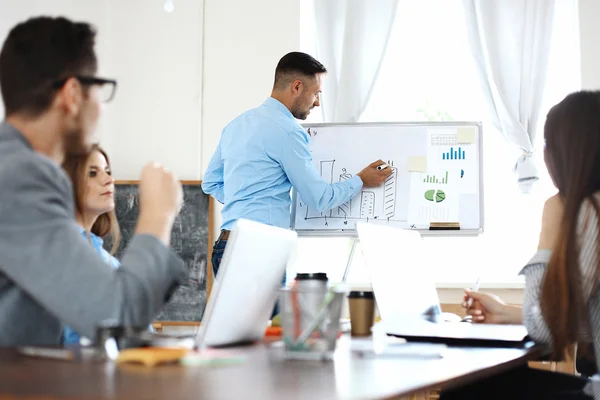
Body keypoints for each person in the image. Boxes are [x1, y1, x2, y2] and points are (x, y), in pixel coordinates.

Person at [0, 16, 185, 346]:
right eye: (100, 91)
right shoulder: (19, 176)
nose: (101, 109)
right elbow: (116, 315)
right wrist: (159, 215)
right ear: (72, 94)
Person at [441, 91, 600, 399]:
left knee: (465, 393)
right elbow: (579, 319)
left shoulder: (590, 211)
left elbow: (547, 333)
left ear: (567, 152)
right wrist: (506, 313)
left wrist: (550, 229)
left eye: (547, 145)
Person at [202, 51, 391, 280]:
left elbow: (210, 183)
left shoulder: (235, 125)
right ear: (297, 87)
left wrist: (245, 200)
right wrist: (361, 180)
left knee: (235, 318)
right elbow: (319, 198)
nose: (318, 103)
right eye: (316, 94)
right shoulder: (288, 132)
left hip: (226, 245)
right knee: (275, 318)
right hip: (260, 249)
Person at [60, 144, 121, 344]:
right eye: (93, 173)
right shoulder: (59, 255)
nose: (109, 180)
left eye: (108, 171)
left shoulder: (109, 262)